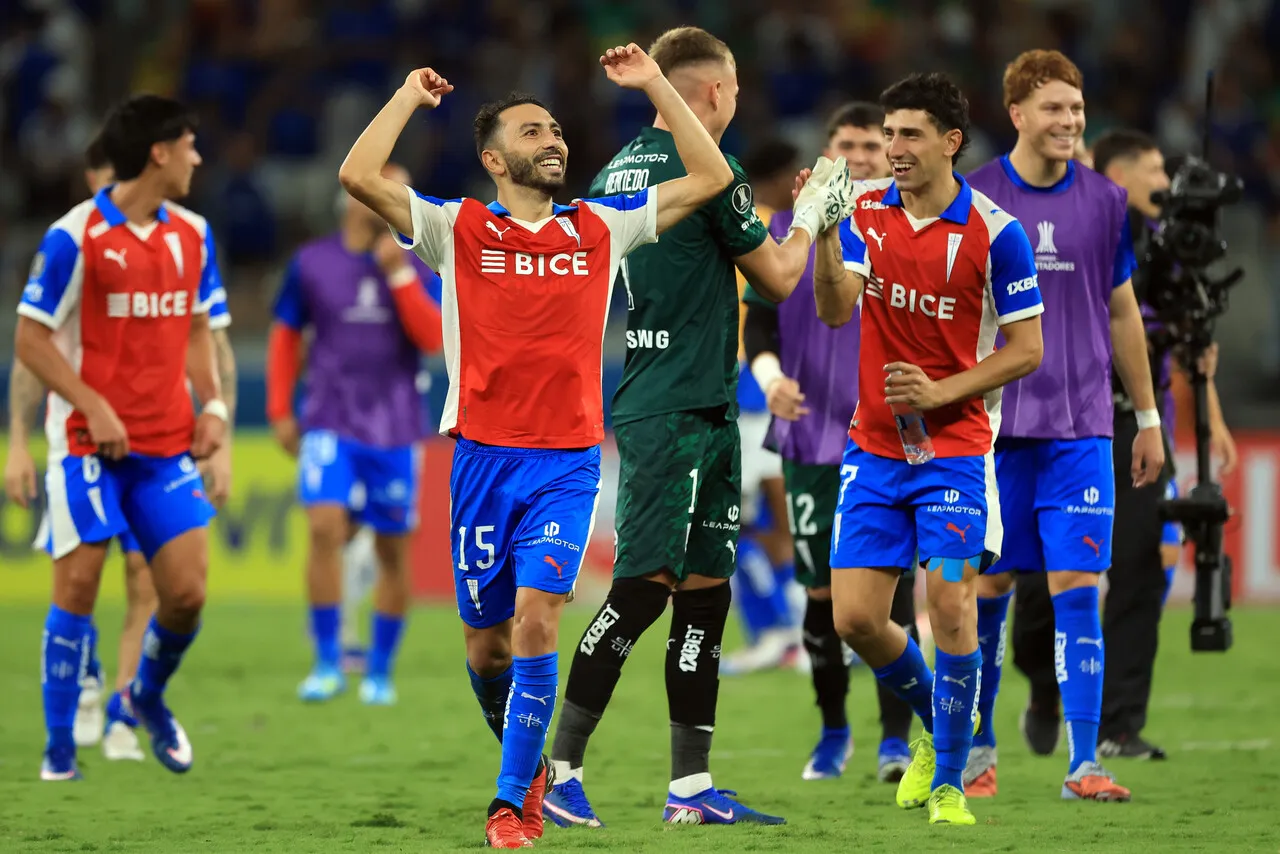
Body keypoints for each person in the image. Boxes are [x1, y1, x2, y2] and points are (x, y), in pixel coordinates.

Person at [340, 41, 848, 848]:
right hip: (478, 459)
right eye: (532, 131)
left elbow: (713, 179)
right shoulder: (456, 229)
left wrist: (653, 86)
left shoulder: (597, 228)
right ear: (493, 159)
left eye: (556, 129)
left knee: (540, 618)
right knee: (487, 645)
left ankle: (516, 801)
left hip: (568, 461)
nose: (553, 140)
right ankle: (537, 766)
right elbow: (359, 176)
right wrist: (405, 95)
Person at [544, 27, 850, 830]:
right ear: (712, 91)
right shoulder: (707, 170)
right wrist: (812, 212)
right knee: (643, 589)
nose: (738, 99)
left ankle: (691, 787)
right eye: (737, 87)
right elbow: (781, 281)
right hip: (675, 410)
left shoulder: (620, 169)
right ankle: (558, 771)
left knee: (706, 597)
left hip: (690, 403)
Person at [814, 71, 1045, 826]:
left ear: (950, 142)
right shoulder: (868, 215)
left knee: (949, 601)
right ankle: (933, 726)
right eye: (888, 134)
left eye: (909, 134)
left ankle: (950, 778)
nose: (893, 148)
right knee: (853, 619)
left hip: (954, 455)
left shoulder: (996, 233)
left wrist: (943, 393)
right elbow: (835, 309)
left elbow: (1027, 349)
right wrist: (822, 233)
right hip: (876, 452)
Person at [965, 49, 1164, 802]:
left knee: (1081, 585)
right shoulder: (974, 197)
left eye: (1076, 110)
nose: (1068, 121)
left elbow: (1122, 313)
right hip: (993, 430)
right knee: (987, 589)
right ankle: (978, 748)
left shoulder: (1107, 201)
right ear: (1016, 114)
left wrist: (1145, 416)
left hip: (1082, 427)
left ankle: (1085, 763)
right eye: (1053, 108)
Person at [1006, 129, 1239, 763]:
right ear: (1116, 173)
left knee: (1139, 571)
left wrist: (1206, 412)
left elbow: (1183, 334)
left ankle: (1119, 725)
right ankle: (1043, 685)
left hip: (1131, 427)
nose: (1165, 180)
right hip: (1058, 422)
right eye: (1154, 166)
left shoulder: (1159, 246)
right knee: (1033, 587)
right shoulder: (1071, 225)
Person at [5, 136, 237, 764]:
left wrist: (219, 425)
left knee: (150, 582)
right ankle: (78, 686)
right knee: (79, 583)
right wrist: (19, 443)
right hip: (79, 442)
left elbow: (210, 344)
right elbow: (32, 357)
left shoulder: (180, 243)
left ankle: (123, 710)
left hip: (160, 444)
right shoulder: (76, 248)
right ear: (99, 177)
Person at [741, 102, 921, 784]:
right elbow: (759, 324)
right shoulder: (785, 231)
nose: (860, 157)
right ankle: (833, 730)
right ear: (825, 156)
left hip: (891, 436)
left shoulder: (913, 230)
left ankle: (896, 741)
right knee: (820, 598)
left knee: (887, 590)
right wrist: (769, 374)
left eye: (872, 146)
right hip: (814, 433)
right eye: (845, 145)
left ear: (891, 153)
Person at [267, 164, 442, 706]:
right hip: (329, 421)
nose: (398, 202)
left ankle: (380, 671)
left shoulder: (419, 261)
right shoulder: (312, 263)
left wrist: (398, 275)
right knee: (324, 528)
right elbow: (285, 336)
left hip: (394, 429)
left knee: (392, 551)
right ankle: (326, 662)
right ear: (354, 193)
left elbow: (434, 338)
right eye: (387, 190)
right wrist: (279, 410)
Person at [721, 139, 804, 678]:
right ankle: (782, 632)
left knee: (760, 517)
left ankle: (790, 632)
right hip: (751, 383)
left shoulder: (759, 228)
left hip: (752, 386)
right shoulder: (767, 228)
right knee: (759, 518)